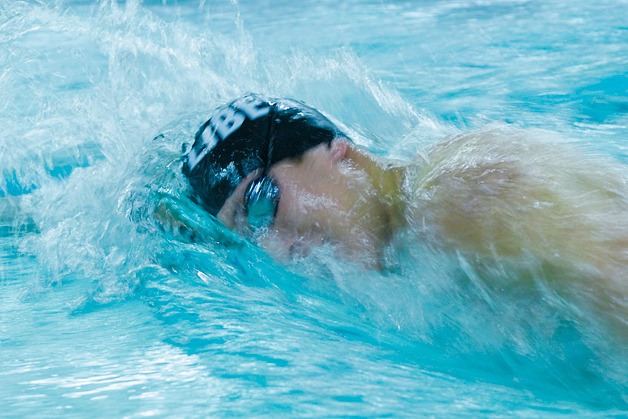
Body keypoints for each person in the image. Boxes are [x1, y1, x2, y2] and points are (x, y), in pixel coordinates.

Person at [181, 93, 627, 285]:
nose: (280, 250)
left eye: (262, 205)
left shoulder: (459, 197)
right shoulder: (412, 241)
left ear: (337, 151)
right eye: (252, 236)